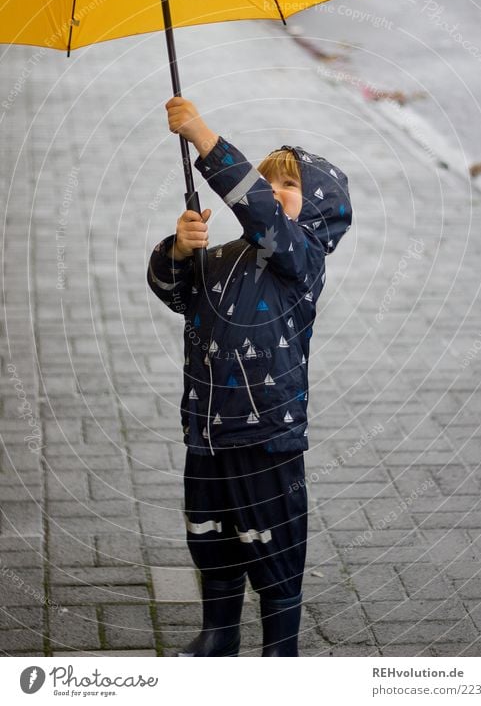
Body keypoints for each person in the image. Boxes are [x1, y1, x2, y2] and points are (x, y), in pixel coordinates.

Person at [147, 97, 352, 656]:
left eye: (288, 185)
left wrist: (204, 138)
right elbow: (176, 296)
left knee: (273, 541)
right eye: (269, 181)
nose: (271, 191)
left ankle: (279, 646)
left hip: (268, 431)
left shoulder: (301, 256)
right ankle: (220, 630)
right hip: (208, 427)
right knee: (211, 532)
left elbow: (260, 210)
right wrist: (179, 251)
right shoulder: (224, 257)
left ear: (317, 212)